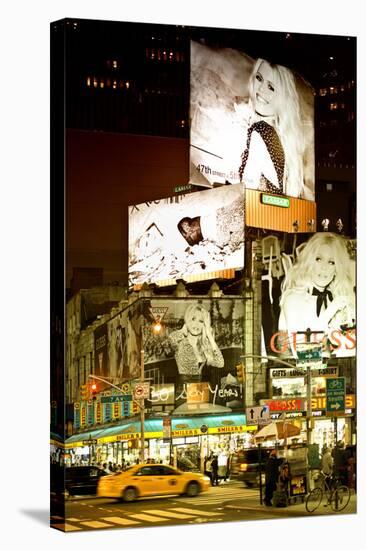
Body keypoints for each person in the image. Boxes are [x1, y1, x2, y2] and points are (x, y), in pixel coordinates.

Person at [279, 232, 355, 357]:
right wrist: (332, 309)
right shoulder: (293, 298)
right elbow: (304, 353)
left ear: (337, 270)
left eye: (331, 262)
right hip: (301, 373)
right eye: (318, 259)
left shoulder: (335, 296)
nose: (324, 267)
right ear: (308, 263)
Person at [239, 58, 306, 198]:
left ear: (283, 97)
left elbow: (247, 186)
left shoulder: (261, 130)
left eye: (271, 87)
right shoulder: (283, 139)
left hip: (256, 211)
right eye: (259, 78)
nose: (261, 89)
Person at [169, 304, 224, 381]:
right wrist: (184, 329)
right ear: (187, 320)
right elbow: (171, 338)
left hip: (199, 389)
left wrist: (209, 335)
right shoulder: (179, 340)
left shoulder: (204, 344)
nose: (196, 324)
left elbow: (220, 363)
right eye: (193, 319)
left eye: (201, 321)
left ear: (204, 325)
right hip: (182, 390)